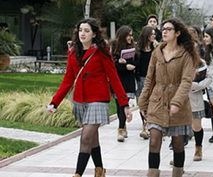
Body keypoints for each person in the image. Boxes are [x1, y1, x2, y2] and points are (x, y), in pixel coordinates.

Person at [46, 18, 133, 177]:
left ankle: (77, 174)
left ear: (94, 33)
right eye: (80, 30)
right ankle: (99, 170)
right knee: (93, 139)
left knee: (85, 137)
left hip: (98, 99)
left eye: (86, 30)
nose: (82, 34)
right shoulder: (73, 52)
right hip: (81, 100)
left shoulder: (102, 51)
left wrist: (124, 104)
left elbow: (114, 78)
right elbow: (67, 80)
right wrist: (54, 103)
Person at [138, 18, 201, 177]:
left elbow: (187, 81)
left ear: (177, 33)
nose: (164, 32)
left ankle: (177, 173)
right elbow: (149, 79)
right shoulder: (156, 52)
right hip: (157, 102)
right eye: (163, 29)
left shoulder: (186, 54)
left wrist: (177, 102)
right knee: (154, 141)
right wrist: (143, 102)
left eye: (168, 29)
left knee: (178, 145)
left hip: (178, 107)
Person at [111, 26, 139, 142]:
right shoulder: (115, 47)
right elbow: (113, 63)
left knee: (125, 104)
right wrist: (122, 64)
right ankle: (121, 128)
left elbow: (137, 61)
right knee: (119, 105)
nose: (130, 38)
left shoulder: (134, 47)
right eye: (128, 35)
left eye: (132, 35)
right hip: (118, 79)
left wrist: (129, 64)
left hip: (129, 80)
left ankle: (122, 127)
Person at [136, 26, 157, 140]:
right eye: (151, 34)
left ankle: (149, 125)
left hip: (154, 79)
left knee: (152, 102)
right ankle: (145, 125)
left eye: (154, 34)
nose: (154, 36)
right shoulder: (138, 48)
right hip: (141, 78)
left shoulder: (156, 48)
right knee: (143, 102)